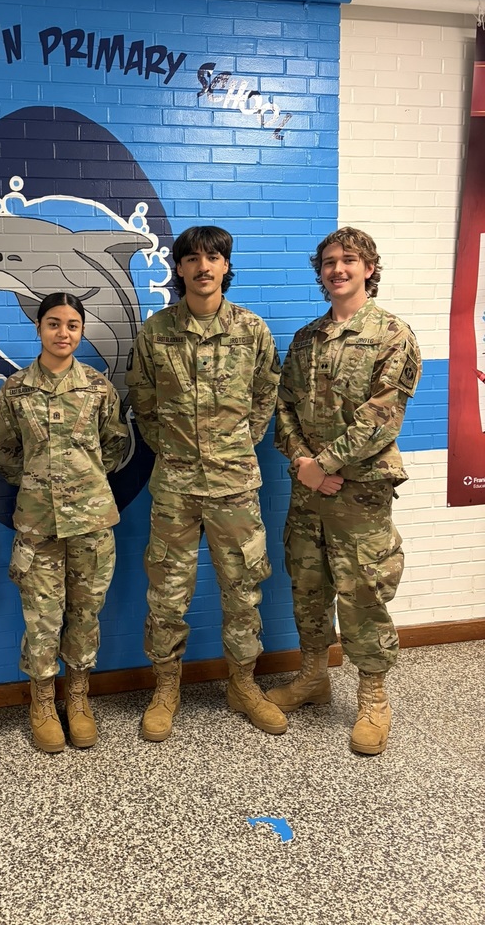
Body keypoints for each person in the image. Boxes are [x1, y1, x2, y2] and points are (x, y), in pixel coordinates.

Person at [126, 225, 286, 741]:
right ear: (179, 269)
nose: (203, 266)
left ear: (225, 266)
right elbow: (142, 402)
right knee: (167, 595)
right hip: (174, 486)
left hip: (235, 485)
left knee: (242, 592)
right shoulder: (155, 332)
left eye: (213, 257)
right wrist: (177, 449)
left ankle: (242, 684)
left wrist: (234, 445)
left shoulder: (251, 330)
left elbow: (266, 398)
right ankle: (166, 689)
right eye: (192, 258)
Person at [269, 227, 421, 755]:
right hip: (309, 489)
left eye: (349, 260)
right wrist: (303, 464)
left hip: (359, 493)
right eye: (330, 261)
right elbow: (282, 407)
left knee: (362, 593)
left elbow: (383, 418)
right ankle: (313, 677)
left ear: (369, 269)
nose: (338, 269)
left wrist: (327, 463)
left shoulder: (391, 336)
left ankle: (373, 697)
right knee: (308, 585)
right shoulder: (307, 339)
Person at [0, 292, 127, 753]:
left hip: (90, 523)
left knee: (86, 615)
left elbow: (114, 446)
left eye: (72, 324)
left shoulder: (97, 387)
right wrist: (38, 482)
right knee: (42, 618)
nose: (63, 333)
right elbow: (5, 453)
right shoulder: (15, 391)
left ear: (82, 330)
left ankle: (79, 698)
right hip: (38, 526)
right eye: (53, 324)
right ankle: (43, 704)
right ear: (38, 328)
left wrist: (81, 482)